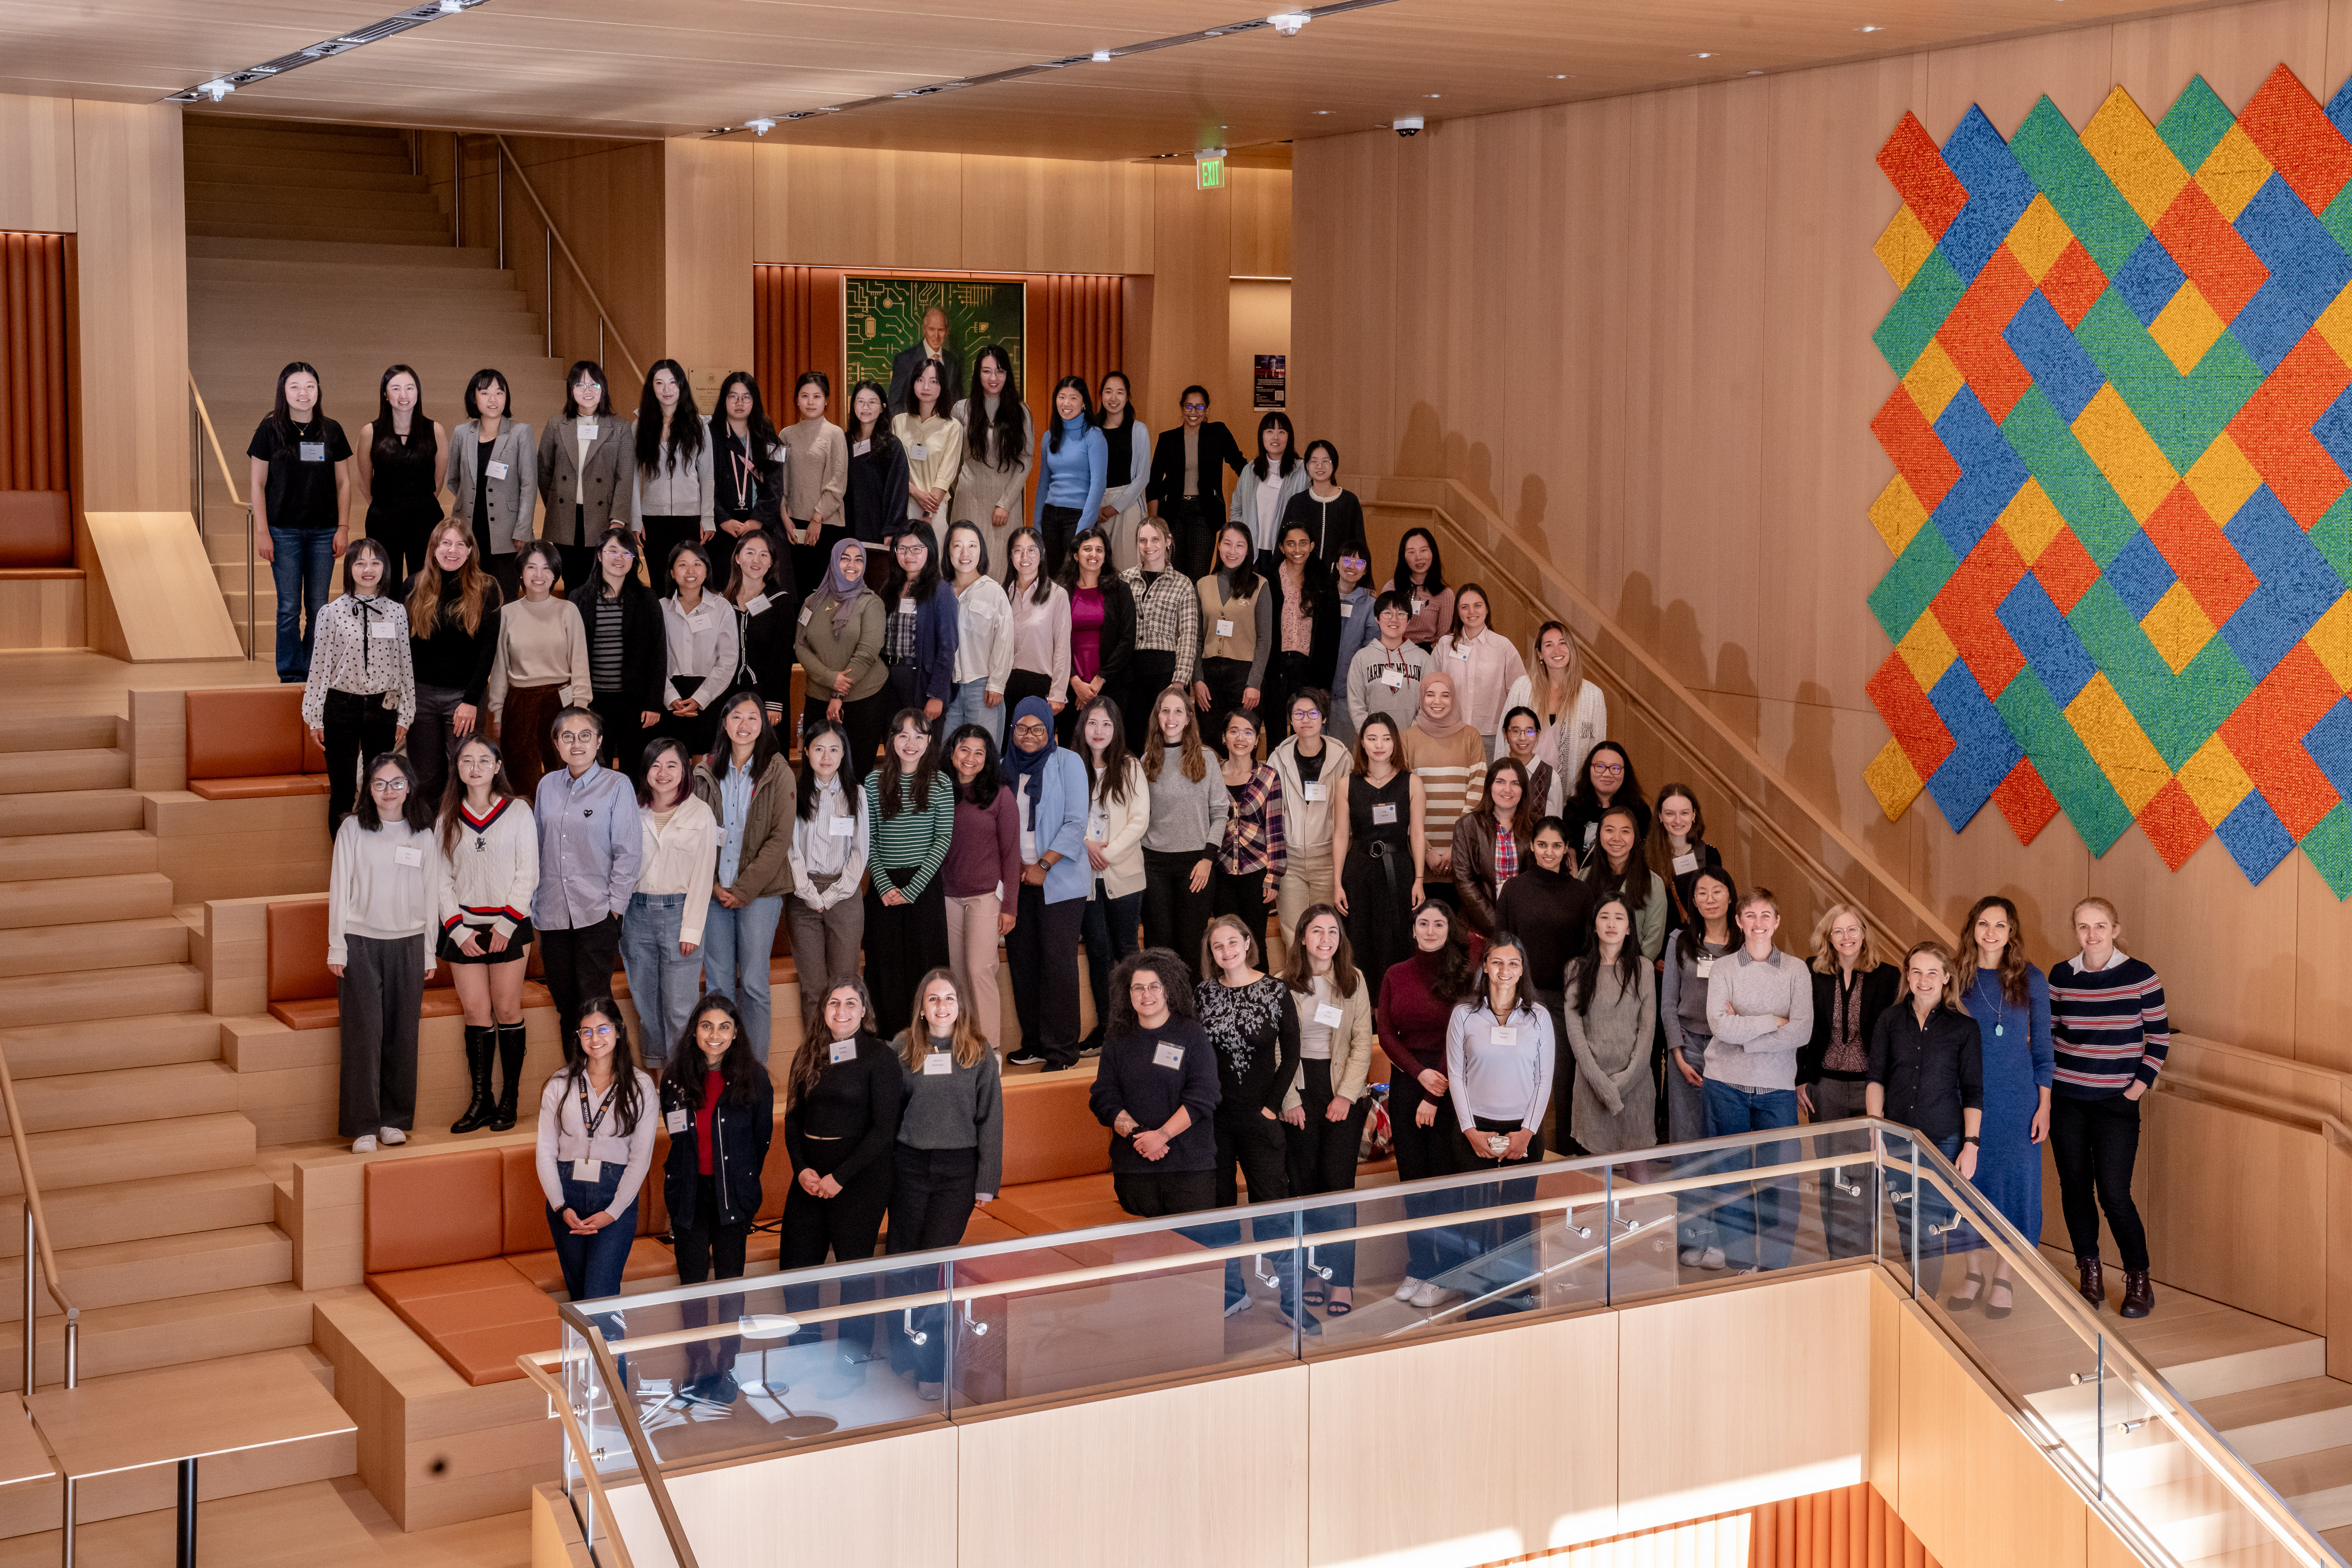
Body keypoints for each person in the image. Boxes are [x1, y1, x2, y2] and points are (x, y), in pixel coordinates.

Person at [886, 970, 1005, 1400]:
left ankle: (931, 1368)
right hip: (909, 1167)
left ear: (960, 1006)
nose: (941, 1007)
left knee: (935, 1270)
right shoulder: (902, 1049)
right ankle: (902, 1354)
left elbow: (992, 1121)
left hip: (957, 1172)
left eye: (949, 999)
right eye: (933, 999)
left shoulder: (978, 1053)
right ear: (922, 1006)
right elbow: (889, 1115)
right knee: (902, 1264)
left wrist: (986, 1182)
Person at [2048, 897, 2168, 1319]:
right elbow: (2049, 1037)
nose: (2092, 935)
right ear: (2075, 930)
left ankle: (2139, 1280)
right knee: (2075, 1188)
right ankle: (2090, 1275)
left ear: (2115, 930)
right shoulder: (2061, 976)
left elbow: (2159, 1039)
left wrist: (2134, 1091)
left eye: (2100, 926)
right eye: (2083, 927)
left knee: (2115, 1195)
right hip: (2067, 1101)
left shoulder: (2141, 976)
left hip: (2117, 1103)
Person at [659, 994, 773, 1407]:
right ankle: (697, 1364)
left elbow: (761, 1141)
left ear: (736, 1032)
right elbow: (677, 1138)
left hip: (733, 1198)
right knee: (692, 1286)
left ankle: (725, 1365)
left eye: (724, 1027)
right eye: (707, 1026)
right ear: (695, 1030)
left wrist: (738, 1182)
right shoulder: (674, 1078)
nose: (715, 1034)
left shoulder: (754, 1078)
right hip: (689, 1195)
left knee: (729, 1287)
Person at [1194, 913, 1308, 1325]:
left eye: (1232, 943)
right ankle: (1232, 1291)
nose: (1226, 952)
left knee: (1271, 1213)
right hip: (1215, 1123)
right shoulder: (1203, 994)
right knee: (1220, 1209)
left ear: (1247, 942)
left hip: (1260, 1120)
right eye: (1217, 946)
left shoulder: (1276, 990)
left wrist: (1270, 1106)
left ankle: (1292, 1302)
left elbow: (1292, 1053)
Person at [781, 978, 905, 1354]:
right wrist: (801, 1168)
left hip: (860, 1178)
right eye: (834, 1003)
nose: (842, 1011)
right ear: (823, 1010)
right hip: (810, 1179)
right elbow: (792, 1119)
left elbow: (885, 1128)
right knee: (796, 1269)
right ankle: (804, 1352)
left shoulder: (880, 1056)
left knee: (854, 1273)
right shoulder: (808, 1052)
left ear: (864, 1010)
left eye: (851, 1003)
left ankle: (853, 1356)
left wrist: (840, 1176)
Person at [330, 752, 442, 1154]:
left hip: (410, 944)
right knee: (363, 1036)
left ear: (409, 786)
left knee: (402, 1035)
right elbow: (339, 889)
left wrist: (429, 952)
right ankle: (363, 1125)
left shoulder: (423, 834)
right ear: (368, 790)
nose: (389, 791)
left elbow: (432, 897)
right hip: (360, 943)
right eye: (380, 784)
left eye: (396, 783)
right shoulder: (352, 829)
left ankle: (394, 1121)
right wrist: (336, 945)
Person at [1704, 888, 1813, 1275]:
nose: (1758, 923)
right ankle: (1739, 1263)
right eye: (1750, 915)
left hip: (1777, 1090)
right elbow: (1719, 1025)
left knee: (1780, 1183)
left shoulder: (1797, 970)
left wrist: (1743, 1033)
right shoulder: (1724, 969)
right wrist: (1773, 1021)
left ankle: (1774, 1267)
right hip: (1725, 1084)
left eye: (1766, 915)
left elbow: (1802, 1032)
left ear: (1777, 922)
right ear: (1739, 921)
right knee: (1728, 1180)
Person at [1445, 932, 1555, 1314]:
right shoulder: (1464, 1015)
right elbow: (1455, 1076)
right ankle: (1476, 1296)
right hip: (1476, 1128)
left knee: (1517, 1215)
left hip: (1523, 1129)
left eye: (1513, 963)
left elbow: (1545, 1079)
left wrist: (1526, 1132)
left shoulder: (1539, 1016)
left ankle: (1518, 1292)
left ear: (1522, 969)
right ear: (1485, 966)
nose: (1504, 970)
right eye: (1497, 962)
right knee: (1476, 1215)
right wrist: (1471, 1131)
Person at [536, 999, 657, 1346]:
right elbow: (545, 1152)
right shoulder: (560, 1084)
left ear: (619, 1032)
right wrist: (561, 1207)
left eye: (603, 1029)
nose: (595, 1038)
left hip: (614, 1200)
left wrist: (612, 1213)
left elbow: (640, 1158)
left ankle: (613, 1392)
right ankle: (585, 1393)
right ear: (578, 1037)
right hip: (566, 1199)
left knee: (600, 1301)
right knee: (579, 1304)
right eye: (586, 1031)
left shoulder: (641, 1085)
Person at [1956, 894, 2054, 1317]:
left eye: (2000, 925)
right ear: (1972, 928)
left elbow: (2046, 1050)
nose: (1991, 932)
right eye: (1983, 924)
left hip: (2017, 1099)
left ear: (2011, 932)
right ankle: (1973, 1271)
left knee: (2016, 1187)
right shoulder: (1955, 975)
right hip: (1965, 1096)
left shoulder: (2032, 979)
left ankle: (2004, 1275)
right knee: (1966, 1183)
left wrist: (2044, 1104)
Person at [1867, 942, 1982, 1299]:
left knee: (1932, 1225)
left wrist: (1971, 1145)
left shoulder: (1965, 1028)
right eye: (1916, 971)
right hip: (1896, 1137)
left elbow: (1974, 1090)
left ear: (1947, 978)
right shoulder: (1889, 1019)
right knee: (1906, 1222)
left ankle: (1924, 1302)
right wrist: (1876, 1133)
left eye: (1933, 972)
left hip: (1944, 1139)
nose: (1924, 979)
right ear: (1907, 976)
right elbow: (1876, 1079)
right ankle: (1919, 1296)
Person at [436, 735, 538, 1135]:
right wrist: (457, 929)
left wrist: (507, 924)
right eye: (467, 760)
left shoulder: (518, 812)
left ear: (497, 766)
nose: (475, 767)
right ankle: (482, 1100)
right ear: (457, 768)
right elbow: (440, 880)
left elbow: (528, 871)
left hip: (508, 926)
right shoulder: (446, 816)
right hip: (464, 930)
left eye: (483, 760)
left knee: (508, 1010)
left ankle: (509, 1098)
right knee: (476, 1013)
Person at [1279, 904, 1374, 1315]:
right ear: (1302, 937)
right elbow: (1277, 1047)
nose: (1325, 939)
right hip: (1298, 1089)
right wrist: (1289, 1099)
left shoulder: (1353, 980)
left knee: (1337, 1189)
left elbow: (1361, 1042)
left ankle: (1342, 1281)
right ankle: (1313, 1274)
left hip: (1340, 1091)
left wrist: (1346, 1096)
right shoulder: (1282, 984)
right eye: (1316, 931)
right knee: (1305, 1185)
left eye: (1332, 932)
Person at [1379, 900, 1473, 1306]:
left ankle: (1450, 1269)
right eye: (1424, 923)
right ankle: (1420, 1266)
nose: (1431, 930)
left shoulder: (1465, 975)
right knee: (1413, 1183)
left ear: (1449, 930)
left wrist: (1435, 1092)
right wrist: (1419, 1075)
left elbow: (1465, 1035)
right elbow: (1385, 1033)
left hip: (1451, 1086)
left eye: (1440, 923)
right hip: (1406, 1083)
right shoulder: (1395, 974)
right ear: (1413, 930)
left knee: (1444, 1185)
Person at [532, 706, 643, 1048]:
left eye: (585, 736)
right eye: (567, 737)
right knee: (566, 1006)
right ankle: (578, 1087)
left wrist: (615, 907)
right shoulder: (547, 785)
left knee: (596, 1003)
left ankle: (615, 1085)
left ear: (598, 742)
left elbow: (629, 850)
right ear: (557, 744)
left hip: (597, 912)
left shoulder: (616, 784)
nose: (576, 743)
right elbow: (537, 844)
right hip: (552, 913)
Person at [691, 693, 793, 1062]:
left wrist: (744, 889)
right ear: (724, 723)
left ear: (764, 724)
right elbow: (698, 835)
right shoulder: (707, 769)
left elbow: (780, 839)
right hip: (714, 895)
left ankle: (756, 1072)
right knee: (719, 987)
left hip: (761, 896)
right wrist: (714, 885)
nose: (745, 725)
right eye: (737, 717)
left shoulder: (777, 769)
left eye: (754, 717)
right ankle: (722, 1067)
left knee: (753, 985)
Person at [1800, 902, 1899, 1262]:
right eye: (1838, 931)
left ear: (1864, 934)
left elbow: (1892, 1037)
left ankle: (1864, 1255)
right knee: (1832, 1176)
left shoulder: (1887, 976)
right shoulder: (1812, 973)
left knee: (1865, 1174)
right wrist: (1800, 1080)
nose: (1847, 937)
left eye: (1853, 929)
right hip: (1824, 1086)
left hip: (1869, 1087)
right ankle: (1838, 1257)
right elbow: (1801, 1031)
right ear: (1828, 936)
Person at [1091, 949, 1221, 1216]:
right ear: (1128, 993)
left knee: (1192, 1253)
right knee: (1145, 1252)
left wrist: (1161, 1137)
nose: (1146, 995)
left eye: (1154, 987)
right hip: (1134, 1166)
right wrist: (1140, 1135)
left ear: (1169, 989)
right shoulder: (1117, 1038)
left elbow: (1205, 1095)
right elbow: (1104, 1097)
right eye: (1138, 988)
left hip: (1189, 1166)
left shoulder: (1191, 1033)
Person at [999, 699, 1091, 1071]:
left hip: (1059, 881)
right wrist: (1014, 869)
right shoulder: (1003, 768)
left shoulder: (1068, 762)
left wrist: (1042, 864)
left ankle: (1063, 1052)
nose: (1030, 735)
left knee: (1057, 964)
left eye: (1039, 728)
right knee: (1023, 963)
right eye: (1022, 727)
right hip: (1016, 881)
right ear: (1012, 731)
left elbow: (1075, 823)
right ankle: (1035, 1043)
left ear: (1051, 732)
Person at [302, 536, 414, 839]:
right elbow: (319, 669)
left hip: (383, 709)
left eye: (375, 563)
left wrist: (406, 713)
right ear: (349, 567)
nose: (368, 569)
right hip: (341, 708)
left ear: (385, 568)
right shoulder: (331, 613)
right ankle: (344, 863)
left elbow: (405, 664)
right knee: (341, 791)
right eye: (360, 562)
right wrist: (314, 715)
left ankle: (373, 855)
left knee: (379, 788)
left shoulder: (397, 611)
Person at [248, 361, 352, 682]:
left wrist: (343, 528)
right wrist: (262, 532)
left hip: (324, 532)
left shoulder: (331, 429)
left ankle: (315, 671)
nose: (303, 392)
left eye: (310, 386)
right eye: (295, 386)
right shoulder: (269, 429)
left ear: (318, 391)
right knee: (289, 608)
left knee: (320, 607)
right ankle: (292, 674)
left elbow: (344, 483)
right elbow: (257, 484)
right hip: (283, 531)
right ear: (283, 391)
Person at [621, 736, 717, 1071]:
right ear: (646, 770)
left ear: (684, 771)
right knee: (647, 1007)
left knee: (680, 1008)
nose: (663, 773)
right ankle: (658, 1078)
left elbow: (704, 875)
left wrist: (691, 928)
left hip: (680, 914)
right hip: (636, 914)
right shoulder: (631, 808)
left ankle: (683, 1080)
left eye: (672, 765)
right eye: (655, 765)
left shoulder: (700, 812)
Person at [1662, 866, 1738, 1267]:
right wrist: (1676, 1051)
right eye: (1701, 892)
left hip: (1732, 1051)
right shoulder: (1680, 941)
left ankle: (1725, 1240)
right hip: (1688, 1050)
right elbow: (1667, 1003)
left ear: (1730, 896)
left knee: (1724, 1146)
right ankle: (1694, 1236)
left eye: (1717, 891)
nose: (1709, 898)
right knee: (1689, 1148)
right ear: (1692, 901)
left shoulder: (1743, 943)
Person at [864, 711, 956, 1039]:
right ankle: (890, 1043)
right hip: (883, 889)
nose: (911, 743)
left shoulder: (941, 783)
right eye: (902, 735)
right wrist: (884, 884)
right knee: (885, 969)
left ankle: (929, 1039)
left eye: (919, 736)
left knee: (926, 969)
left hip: (924, 889)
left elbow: (942, 840)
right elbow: (869, 840)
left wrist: (912, 889)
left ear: (930, 741)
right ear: (891, 740)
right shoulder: (873, 783)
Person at [402, 519, 504, 802]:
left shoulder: (486, 587)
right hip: (421, 698)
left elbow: (488, 650)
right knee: (424, 777)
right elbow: (404, 647)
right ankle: (430, 839)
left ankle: (460, 839)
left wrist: (470, 700)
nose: (453, 550)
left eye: (461, 544)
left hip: (464, 697)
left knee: (465, 774)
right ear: (434, 548)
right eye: (446, 543)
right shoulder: (413, 585)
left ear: (471, 551)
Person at [1496, 817, 1596, 1094]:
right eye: (1542, 845)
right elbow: (1501, 944)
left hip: (1565, 1001)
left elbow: (1588, 950)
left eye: (1556, 845)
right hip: (1521, 997)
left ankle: (1565, 1139)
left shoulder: (1581, 892)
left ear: (1566, 849)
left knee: (1563, 1079)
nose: (1548, 852)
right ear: (1531, 846)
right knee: (1520, 1081)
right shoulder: (1514, 889)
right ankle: (1524, 1139)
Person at [487, 542, 592, 802]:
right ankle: (527, 838)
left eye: (547, 568)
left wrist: (580, 711)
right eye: (531, 567)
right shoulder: (507, 613)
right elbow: (500, 667)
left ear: (555, 574)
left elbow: (580, 665)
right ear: (521, 573)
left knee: (567, 776)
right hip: (520, 703)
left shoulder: (568, 610)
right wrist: (497, 712)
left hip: (562, 702)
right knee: (523, 782)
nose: (539, 575)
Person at [1332, 712, 1424, 999]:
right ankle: (1363, 1009)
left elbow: (1418, 834)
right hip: (1359, 870)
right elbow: (1340, 836)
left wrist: (1419, 879)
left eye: (1386, 738)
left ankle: (1395, 1005)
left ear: (1395, 742)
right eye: (1372, 738)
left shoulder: (1412, 783)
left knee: (1396, 939)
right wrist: (1337, 883)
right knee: (1360, 939)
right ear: (1362, 743)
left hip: (1399, 868)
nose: (1379, 745)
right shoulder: (1347, 784)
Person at [941, 724, 1019, 1054]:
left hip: (986, 896)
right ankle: (964, 1046)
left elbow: (1011, 853)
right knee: (956, 976)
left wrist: (1010, 906)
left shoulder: (1001, 796)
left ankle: (990, 1051)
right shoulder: (940, 791)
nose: (970, 758)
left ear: (988, 759)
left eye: (979, 753)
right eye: (964, 750)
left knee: (979, 970)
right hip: (947, 897)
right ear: (953, 753)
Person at [1076, 697, 1149, 1055]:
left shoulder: (1130, 766)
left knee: (1127, 951)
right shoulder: (1072, 767)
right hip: (1084, 876)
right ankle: (1107, 1028)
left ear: (1116, 728)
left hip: (1123, 873)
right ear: (1083, 728)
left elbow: (1139, 820)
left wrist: (1106, 853)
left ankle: (1137, 1025)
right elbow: (1064, 817)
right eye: (1092, 723)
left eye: (1106, 724)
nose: (1099, 731)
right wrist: (1084, 845)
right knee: (1098, 952)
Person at [566, 525, 663, 780]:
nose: (619, 558)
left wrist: (653, 703)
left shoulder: (647, 599)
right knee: (596, 769)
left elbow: (658, 653)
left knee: (634, 770)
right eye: (613, 551)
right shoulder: (578, 598)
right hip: (593, 701)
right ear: (599, 555)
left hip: (634, 702)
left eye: (627, 553)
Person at [1564, 895, 1658, 1156]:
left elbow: (1647, 1030)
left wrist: (1625, 1081)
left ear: (1629, 928)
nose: (1611, 924)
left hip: (1636, 1081)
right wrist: (1601, 1085)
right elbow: (1576, 1034)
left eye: (1619, 918)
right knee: (1594, 1176)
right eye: (1604, 917)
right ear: (1594, 926)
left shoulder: (1644, 968)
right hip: (1590, 1083)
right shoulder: (1576, 969)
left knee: (1637, 1170)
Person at [785, 719, 869, 1001]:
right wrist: (809, 894)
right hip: (802, 895)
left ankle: (845, 1047)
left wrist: (833, 895)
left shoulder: (856, 794)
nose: (826, 757)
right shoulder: (794, 792)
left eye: (834, 750)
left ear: (844, 753)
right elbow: (791, 849)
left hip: (844, 896)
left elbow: (860, 851)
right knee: (813, 989)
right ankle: (818, 1048)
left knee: (845, 988)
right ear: (806, 751)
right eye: (818, 749)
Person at [1140, 687, 1221, 980]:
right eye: (1165, 711)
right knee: (1160, 945)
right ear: (1157, 717)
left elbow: (1221, 812)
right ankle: (1163, 1014)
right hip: (1155, 865)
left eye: (1178, 711)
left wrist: (1208, 858)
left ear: (1188, 718)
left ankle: (1192, 1015)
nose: (1171, 717)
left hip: (1196, 864)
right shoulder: (1147, 760)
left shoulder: (1207, 758)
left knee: (1191, 944)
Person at [795, 538, 890, 777]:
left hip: (863, 699)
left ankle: (854, 815)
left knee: (855, 772)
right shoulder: (812, 602)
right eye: (845, 558)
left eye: (859, 560)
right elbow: (800, 646)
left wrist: (839, 693)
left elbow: (867, 653)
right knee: (817, 770)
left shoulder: (871, 602)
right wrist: (829, 679)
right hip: (818, 697)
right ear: (834, 561)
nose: (852, 565)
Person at [535, 360, 631, 594]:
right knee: (571, 581)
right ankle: (573, 629)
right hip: (566, 515)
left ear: (604, 389)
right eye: (580, 385)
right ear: (571, 390)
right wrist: (558, 503)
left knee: (601, 582)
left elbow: (625, 477)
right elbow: (544, 470)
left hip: (603, 518)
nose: (587, 391)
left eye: (594, 385)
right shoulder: (556, 424)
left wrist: (618, 519)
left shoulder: (620, 428)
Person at [444, 367, 535, 601]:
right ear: (474, 398)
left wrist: (523, 528)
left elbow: (529, 486)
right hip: (469, 530)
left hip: (509, 533)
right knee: (469, 598)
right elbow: (453, 479)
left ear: (507, 397)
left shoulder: (520, 433)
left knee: (505, 599)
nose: (493, 399)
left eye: (499, 393)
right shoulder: (462, 433)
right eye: (485, 393)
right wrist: (469, 499)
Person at [1400, 669, 1487, 909]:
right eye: (1430, 695)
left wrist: (1454, 848)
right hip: (1418, 856)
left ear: (1454, 698)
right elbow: (1402, 797)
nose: (1437, 702)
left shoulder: (1471, 736)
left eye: (1445, 695)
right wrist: (1426, 850)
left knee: (1459, 930)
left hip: (1460, 853)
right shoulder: (1407, 738)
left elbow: (1477, 792)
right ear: (1421, 698)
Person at [355, 364, 447, 585]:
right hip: (384, 518)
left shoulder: (435, 430)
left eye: (410, 388)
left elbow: (439, 481)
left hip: (426, 517)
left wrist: (416, 505)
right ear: (385, 395)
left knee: (425, 584)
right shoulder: (370, 432)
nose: (404, 395)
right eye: (396, 388)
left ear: (418, 392)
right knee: (386, 583)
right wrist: (385, 506)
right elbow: (364, 482)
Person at [1270, 689, 1350, 938]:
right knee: (1293, 935)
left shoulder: (1343, 759)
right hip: (1290, 864)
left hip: (1328, 861)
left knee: (1326, 935)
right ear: (1291, 719)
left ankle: (1325, 979)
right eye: (1299, 713)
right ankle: (1298, 980)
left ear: (1324, 718)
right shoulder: (1277, 759)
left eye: (1313, 713)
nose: (1306, 719)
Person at [1145, 385, 1248, 578]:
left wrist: (1262, 481)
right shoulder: (1168, 439)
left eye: (1200, 408)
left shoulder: (1218, 433)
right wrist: (1154, 522)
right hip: (1173, 513)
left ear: (1207, 410)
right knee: (1173, 576)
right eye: (1189, 407)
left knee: (1197, 575)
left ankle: (1195, 610)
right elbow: (1154, 483)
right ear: (1181, 407)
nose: (1194, 412)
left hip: (1205, 512)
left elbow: (1239, 464)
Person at [1121, 517, 1203, 752]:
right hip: (1130, 672)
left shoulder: (1183, 584)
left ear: (1168, 541)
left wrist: (1179, 682)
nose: (1149, 546)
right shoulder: (1124, 580)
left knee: (1165, 741)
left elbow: (1188, 636)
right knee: (1133, 737)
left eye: (1155, 539)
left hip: (1166, 672)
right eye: (1143, 540)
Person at [949, 347, 1033, 569]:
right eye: (986, 371)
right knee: (964, 566)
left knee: (1001, 569)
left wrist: (1005, 504)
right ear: (978, 374)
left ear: (1008, 374)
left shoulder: (1021, 411)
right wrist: (962, 487)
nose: (993, 378)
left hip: (1005, 504)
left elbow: (1026, 461)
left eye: (1000, 371)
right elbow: (951, 459)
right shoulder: (961, 409)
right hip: (968, 500)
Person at [1503, 620, 1607, 796]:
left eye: (1563, 643)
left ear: (1572, 649)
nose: (1557, 651)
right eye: (1549, 645)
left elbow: (1597, 751)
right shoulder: (1522, 688)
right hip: (1522, 789)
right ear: (1540, 653)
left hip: (1573, 794)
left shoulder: (1593, 695)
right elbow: (1504, 739)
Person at [630, 359, 713, 572]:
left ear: (681, 386)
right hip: (652, 518)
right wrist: (636, 520)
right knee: (659, 581)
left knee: (688, 580)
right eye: (660, 383)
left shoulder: (699, 425)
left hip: (691, 518)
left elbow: (707, 475)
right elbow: (632, 476)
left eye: (673, 383)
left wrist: (707, 518)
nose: (667, 389)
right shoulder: (639, 426)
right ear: (652, 387)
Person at [658, 540, 739, 758]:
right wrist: (669, 697)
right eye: (682, 565)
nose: (691, 571)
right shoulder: (660, 608)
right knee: (674, 765)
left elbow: (729, 659)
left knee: (708, 767)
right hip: (670, 698)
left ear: (706, 571)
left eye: (697, 564)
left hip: (712, 696)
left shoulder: (722, 608)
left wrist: (701, 698)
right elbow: (653, 660)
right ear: (673, 573)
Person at [875, 524, 959, 726]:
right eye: (902, 549)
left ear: (929, 550)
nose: (908, 555)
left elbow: (947, 648)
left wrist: (936, 695)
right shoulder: (890, 588)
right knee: (894, 742)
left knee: (923, 746)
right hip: (888, 676)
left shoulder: (941, 590)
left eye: (916, 549)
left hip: (921, 679)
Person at [1430, 585, 1525, 760]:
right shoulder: (1445, 644)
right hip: (1450, 732)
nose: (1471, 611)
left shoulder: (1503, 646)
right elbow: (1429, 688)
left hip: (1491, 735)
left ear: (1487, 609)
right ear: (1458, 612)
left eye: (1478, 605)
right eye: (1465, 607)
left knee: (1488, 787)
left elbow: (1519, 692)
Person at [710, 370, 789, 580]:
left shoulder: (766, 432)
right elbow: (704, 484)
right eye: (733, 396)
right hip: (724, 525)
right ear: (724, 400)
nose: (739, 403)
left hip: (760, 523)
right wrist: (723, 519)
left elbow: (775, 482)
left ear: (754, 400)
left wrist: (758, 519)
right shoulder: (710, 434)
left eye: (746, 397)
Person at [1264, 521, 1339, 740]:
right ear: (1281, 548)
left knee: (1305, 735)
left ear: (1312, 545)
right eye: (1291, 544)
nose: (1298, 550)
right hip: (1275, 667)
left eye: (1303, 543)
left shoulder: (1324, 582)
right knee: (1276, 735)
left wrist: (1324, 683)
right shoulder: (1268, 579)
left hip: (1308, 669)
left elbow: (1332, 636)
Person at [1057, 528, 1131, 749]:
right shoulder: (1061, 591)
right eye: (1087, 549)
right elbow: (1054, 640)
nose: (1094, 554)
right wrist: (1076, 682)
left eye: (1099, 550)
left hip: (1112, 684)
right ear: (1075, 555)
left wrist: (1097, 683)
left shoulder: (1120, 590)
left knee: (1108, 749)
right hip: (1070, 684)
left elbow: (1127, 639)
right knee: (1073, 746)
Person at [1211, 709, 1285, 925]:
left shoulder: (1269, 776)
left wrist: (1273, 876)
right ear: (1224, 737)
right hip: (1221, 868)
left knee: (1255, 942)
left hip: (1257, 870)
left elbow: (1276, 828)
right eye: (1234, 732)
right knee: (1225, 936)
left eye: (1248, 733)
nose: (1240, 738)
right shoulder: (1212, 774)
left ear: (1257, 741)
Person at [1451, 756, 1534, 944]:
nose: (1508, 789)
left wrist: (1521, 924)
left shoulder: (1536, 827)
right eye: (1500, 782)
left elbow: (1539, 881)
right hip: (1476, 929)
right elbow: (1464, 882)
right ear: (1489, 785)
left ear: (1524, 790)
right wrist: (1498, 926)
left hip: (1524, 927)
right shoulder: (1468, 825)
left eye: (1515, 783)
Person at [942, 521, 1013, 741]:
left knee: (983, 756)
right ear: (948, 551)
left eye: (972, 546)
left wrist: (996, 685)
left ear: (981, 550)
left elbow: (1005, 641)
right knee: (946, 756)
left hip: (982, 689)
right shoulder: (940, 591)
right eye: (958, 546)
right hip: (947, 689)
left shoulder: (993, 592)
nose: (965, 553)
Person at [1193, 522, 1270, 727]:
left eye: (1240, 545)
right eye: (1227, 544)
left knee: (1242, 737)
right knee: (1210, 740)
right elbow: (1197, 638)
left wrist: (1254, 683)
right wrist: (1197, 680)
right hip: (1209, 676)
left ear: (1248, 550)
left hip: (1244, 675)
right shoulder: (1202, 585)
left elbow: (1264, 640)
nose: (1232, 551)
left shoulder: (1260, 585)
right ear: (1219, 546)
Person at [781, 371, 850, 598]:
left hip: (825, 526)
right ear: (797, 399)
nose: (810, 402)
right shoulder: (785, 435)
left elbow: (838, 482)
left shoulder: (835, 434)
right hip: (791, 526)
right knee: (795, 590)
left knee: (822, 592)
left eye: (817, 396)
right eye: (805, 396)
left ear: (827, 400)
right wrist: (785, 518)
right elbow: (777, 482)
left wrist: (817, 518)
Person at [1347, 587, 1438, 757]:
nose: (1394, 619)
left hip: (1412, 746)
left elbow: (1428, 704)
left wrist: (1410, 738)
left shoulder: (1423, 658)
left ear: (1409, 620)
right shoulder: (1362, 658)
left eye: (1401, 614)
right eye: (1387, 613)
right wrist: (1373, 739)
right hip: (1373, 749)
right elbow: (1356, 705)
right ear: (1377, 618)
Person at [1033, 377, 1108, 578]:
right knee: (1051, 578)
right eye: (1062, 397)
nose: (1066, 403)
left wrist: (1084, 527)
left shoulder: (1094, 435)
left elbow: (1098, 485)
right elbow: (1043, 483)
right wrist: (1037, 524)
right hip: (1050, 515)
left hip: (1077, 517)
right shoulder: (1049, 436)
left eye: (1073, 398)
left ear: (1084, 403)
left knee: (1074, 578)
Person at [720, 528, 795, 726]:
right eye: (750, 553)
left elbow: (782, 657)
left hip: (766, 698)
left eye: (764, 555)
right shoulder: (721, 602)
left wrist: (774, 702)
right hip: (726, 695)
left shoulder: (781, 602)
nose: (757, 560)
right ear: (737, 558)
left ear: (771, 562)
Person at [1002, 527, 1071, 730]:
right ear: (1011, 555)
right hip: (1004, 684)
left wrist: (1058, 694)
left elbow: (1062, 648)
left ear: (1041, 554)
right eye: (1018, 550)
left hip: (1039, 684)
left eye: (1032, 550)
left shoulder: (1057, 595)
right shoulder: (1001, 593)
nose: (1025, 556)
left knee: (1033, 746)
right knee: (1004, 746)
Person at [1582, 804, 1666, 962]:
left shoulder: (1653, 883)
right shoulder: (1585, 876)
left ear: (1636, 837)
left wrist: (1629, 969)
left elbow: (1654, 938)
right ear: (1599, 835)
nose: (1616, 838)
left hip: (1633, 970)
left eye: (1625, 832)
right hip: (1590, 967)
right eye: (1609, 830)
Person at [841, 381, 910, 563]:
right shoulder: (843, 442)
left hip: (879, 530)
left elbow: (899, 491)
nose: (866, 407)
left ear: (882, 408)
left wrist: (892, 530)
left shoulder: (893, 446)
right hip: (847, 526)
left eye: (872, 402)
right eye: (860, 402)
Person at [893, 360, 963, 536]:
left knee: (934, 560)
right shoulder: (899, 422)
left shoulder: (952, 427)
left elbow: (946, 474)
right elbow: (893, 469)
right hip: (902, 506)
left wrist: (928, 513)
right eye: (921, 380)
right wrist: (916, 493)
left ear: (942, 387)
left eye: (934, 381)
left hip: (935, 510)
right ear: (913, 383)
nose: (926, 387)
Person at [1230, 410, 1307, 568]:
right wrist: (1240, 540)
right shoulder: (1250, 470)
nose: (1275, 437)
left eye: (1282, 432)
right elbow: (1236, 509)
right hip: (1252, 551)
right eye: (1270, 431)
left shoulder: (1302, 470)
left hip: (1286, 551)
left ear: (1289, 437)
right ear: (1262, 436)